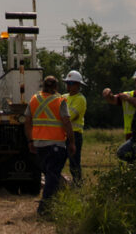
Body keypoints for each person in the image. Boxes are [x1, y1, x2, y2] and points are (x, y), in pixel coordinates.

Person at [26, 74, 73, 214]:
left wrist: (30, 140)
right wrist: (72, 141)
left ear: (43, 86)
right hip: (56, 144)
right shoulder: (60, 100)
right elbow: (66, 122)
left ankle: (53, 202)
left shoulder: (34, 99)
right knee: (52, 175)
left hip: (39, 145)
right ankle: (44, 206)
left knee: (50, 175)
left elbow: (27, 121)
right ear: (56, 87)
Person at [61, 70, 88, 185]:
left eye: (71, 83)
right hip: (63, 134)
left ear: (78, 85)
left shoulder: (80, 99)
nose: (68, 85)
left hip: (75, 134)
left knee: (74, 162)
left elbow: (70, 116)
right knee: (60, 160)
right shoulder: (63, 97)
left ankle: (78, 184)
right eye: (67, 83)